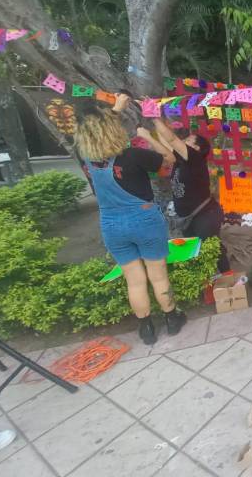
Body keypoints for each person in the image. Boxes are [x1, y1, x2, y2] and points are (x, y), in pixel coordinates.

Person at [74, 94, 186, 345]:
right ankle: (171, 319)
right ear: (113, 129)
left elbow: (95, 133)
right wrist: (146, 137)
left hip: (111, 224)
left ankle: (146, 330)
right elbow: (169, 161)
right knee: (158, 276)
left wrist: (113, 110)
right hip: (144, 219)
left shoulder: (85, 159)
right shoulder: (134, 155)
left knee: (134, 281)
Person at [152, 119, 230, 273]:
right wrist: (150, 128)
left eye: (188, 140)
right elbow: (166, 148)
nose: (182, 142)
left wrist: (154, 116)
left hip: (204, 215)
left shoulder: (195, 159)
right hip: (188, 218)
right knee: (195, 251)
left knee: (213, 248)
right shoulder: (181, 161)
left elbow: (172, 140)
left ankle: (230, 280)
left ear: (196, 148)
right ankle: (209, 284)